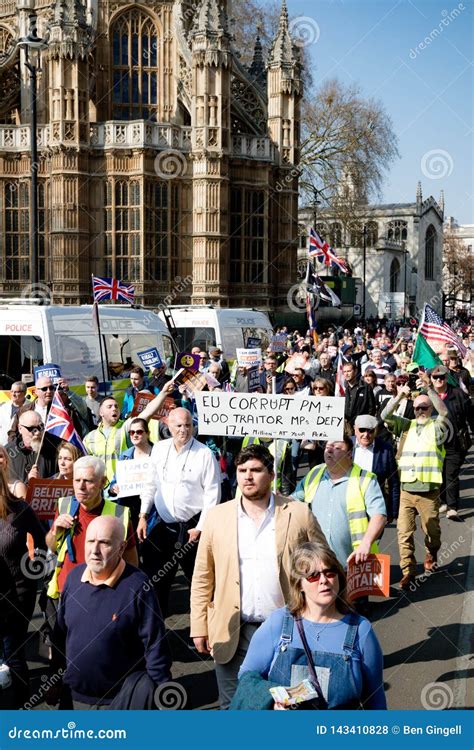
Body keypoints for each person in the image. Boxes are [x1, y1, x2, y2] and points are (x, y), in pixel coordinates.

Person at [190, 443, 327, 709]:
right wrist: (199, 625)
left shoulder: (298, 513)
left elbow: (324, 568)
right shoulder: (217, 517)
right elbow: (203, 576)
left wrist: (323, 620)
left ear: (272, 474)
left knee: (285, 705)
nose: (247, 477)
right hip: (231, 631)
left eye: (255, 470)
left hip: (285, 631)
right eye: (242, 470)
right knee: (233, 707)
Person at [236, 542, 386, 710]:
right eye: (313, 576)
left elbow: (376, 697)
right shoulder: (279, 622)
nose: (324, 580)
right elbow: (247, 676)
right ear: (299, 584)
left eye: (330, 572)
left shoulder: (360, 629)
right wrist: (272, 701)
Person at [51, 516, 171, 709]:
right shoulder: (73, 579)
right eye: (91, 541)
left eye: (104, 543)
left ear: (121, 548)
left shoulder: (139, 587)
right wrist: (53, 679)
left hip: (120, 703)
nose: (95, 550)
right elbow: (59, 636)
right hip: (72, 698)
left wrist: (161, 695)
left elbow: (155, 647)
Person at [138, 407, 221, 616]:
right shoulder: (158, 449)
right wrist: (142, 515)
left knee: (201, 582)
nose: (183, 430)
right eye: (178, 426)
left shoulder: (204, 454)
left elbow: (213, 495)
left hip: (193, 529)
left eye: (188, 425)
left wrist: (200, 528)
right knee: (156, 581)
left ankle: (207, 630)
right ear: (168, 425)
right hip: (163, 527)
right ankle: (156, 634)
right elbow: (150, 484)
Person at [380, 372, 448, 589]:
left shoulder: (437, 427)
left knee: (432, 532)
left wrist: (428, 389)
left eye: (424, 407)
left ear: (430, 409)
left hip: (429, 491)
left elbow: (445, 412)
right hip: (407, 491)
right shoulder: (406, 425)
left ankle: (431, 551)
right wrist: (400, 396)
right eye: (417, 407)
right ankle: (408, 570)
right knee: (404, 532)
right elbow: (385, 416)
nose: (420, 411)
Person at [45, 456, 138, 601]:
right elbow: (52, 546)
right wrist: (54, 531)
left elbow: (131, 561)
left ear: (103, 482)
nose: (81, 486)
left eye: (88, 481)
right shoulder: (65, 505)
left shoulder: (120, 514)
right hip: (66, 591)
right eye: (77, 480)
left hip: (102, 594)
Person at [295, 436, 387, 569]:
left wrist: (366, 544)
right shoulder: (314, 473)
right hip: (318, 566)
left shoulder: (365, 479)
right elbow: (293, 502)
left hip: (354, 564)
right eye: (327, 447)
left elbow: (379, 516)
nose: (330, 451)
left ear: (349, 455)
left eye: (337, 448)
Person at [0, 465, 46, 705]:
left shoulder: (20, 509)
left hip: (17, 597)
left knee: (13, 655)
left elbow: (41, 547)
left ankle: (19, 714)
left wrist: (30, 577)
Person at [83, 383, 173, 483]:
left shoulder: (126, 427)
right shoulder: (89, 437)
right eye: (109, 406)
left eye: (116, 406)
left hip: (122, 486)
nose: (114, 408)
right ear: (101, 413)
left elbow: (147, 413)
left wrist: (164, 393)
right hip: (99, 491)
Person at [429, 365, 474, 520]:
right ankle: (442, 501)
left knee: (451, 473)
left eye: (442, 377)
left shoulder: (459, 394)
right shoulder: (426, 396)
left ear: (446, 378)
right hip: (434, 443)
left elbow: (470, 415)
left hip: (455, 442)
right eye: (435, 377)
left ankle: (452, 507)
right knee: (439, 474)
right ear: (431, 380)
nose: (439, 380)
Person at [352, 415, 400, 523]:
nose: (366, 435)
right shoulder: (346, 446)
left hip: (374, 506)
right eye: (362, 430)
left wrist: (392, 511)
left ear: (376, 431)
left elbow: (394, 482)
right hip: (349, 505)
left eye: (370, 431)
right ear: (355, 429)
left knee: (372, 539)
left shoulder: (385, 449)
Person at [108, 417, 154, 528]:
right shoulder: (124, 456)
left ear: (147, 433)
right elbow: (114, 482)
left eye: (139, 432)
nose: (135, 435)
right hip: (128, 509)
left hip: (152, 511)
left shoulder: (158, 453)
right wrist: (113, 488)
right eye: (132, 432)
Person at [5, 410, 55, 484]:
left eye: (40, 427)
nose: (37, 432)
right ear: (20, 428)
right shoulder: (7, 453)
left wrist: (41, 482)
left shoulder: (53, 449)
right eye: (32, 429)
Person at [343, 361, 376, 428]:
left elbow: (371, 408)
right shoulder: (342, 389)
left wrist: (365, 424)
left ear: (355, 371)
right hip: (345, 426)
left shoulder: (366, 387)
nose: (346, 374)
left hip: (360, 426)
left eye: (349, 371)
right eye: (344, 372)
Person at [0, 382, 29, 446]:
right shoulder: (3, 407)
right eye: (12, 391)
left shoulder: (30, 408)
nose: (13, 394)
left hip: (19, 448)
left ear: (24, 393)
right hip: (2, 446)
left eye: (16, 392)